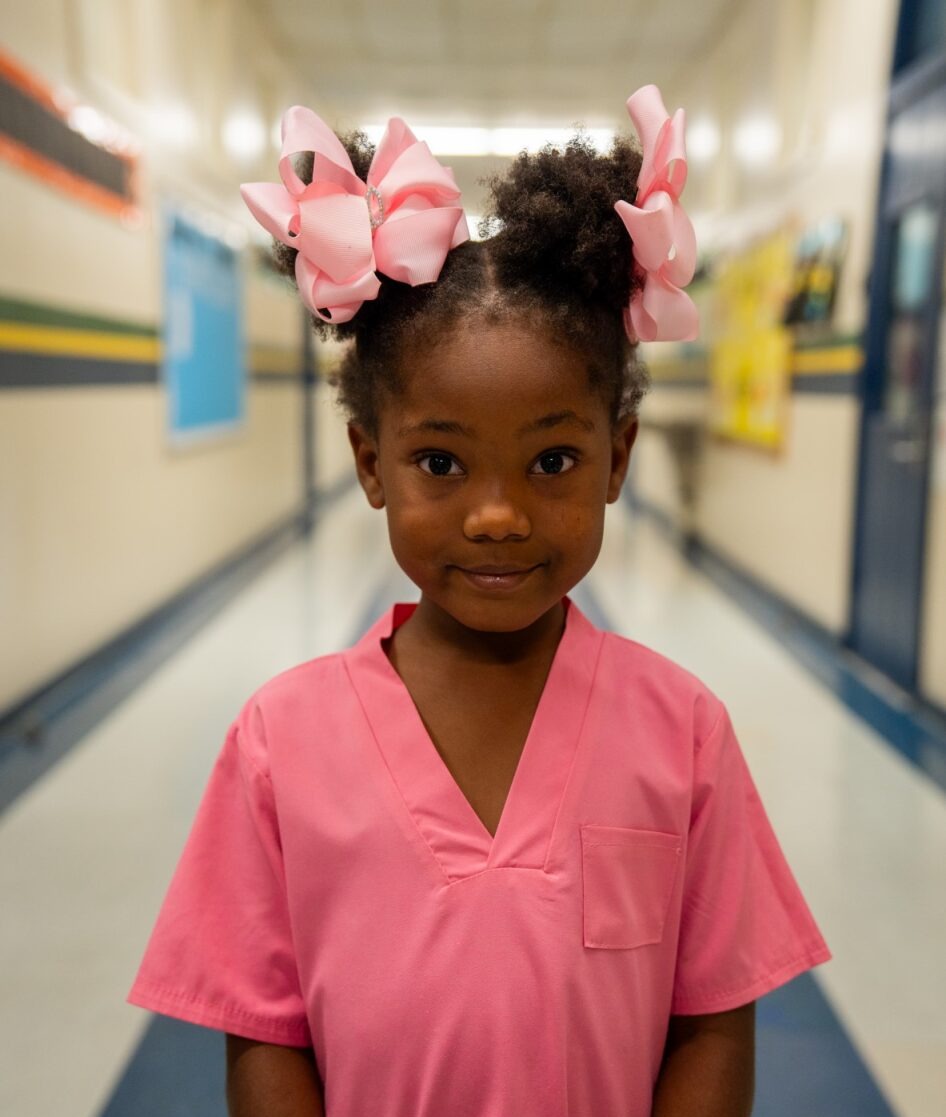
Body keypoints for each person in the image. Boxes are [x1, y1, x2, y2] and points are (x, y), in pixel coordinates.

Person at [127, 85, 831, 1117]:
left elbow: (713, 1018)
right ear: (371, 464)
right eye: (441, 463)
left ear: (616, 458)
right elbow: (265, 1033)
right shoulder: (282, 739)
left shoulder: (681, 735)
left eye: (551, 459)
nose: (497, 516)